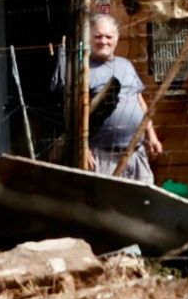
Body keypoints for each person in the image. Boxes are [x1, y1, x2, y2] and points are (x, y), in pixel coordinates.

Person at [58, 13, 162, 183]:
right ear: (89, 38)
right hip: (102, 156)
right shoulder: (81, 70)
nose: (103, 41)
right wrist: (83, 148)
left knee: (141, 198)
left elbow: (140, 102)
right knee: (107, 199)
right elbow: (71, 113)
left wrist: (152, 135)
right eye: (98, 36)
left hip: (135, 153)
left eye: (108, 36)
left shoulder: (125, 65)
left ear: (117, 38)